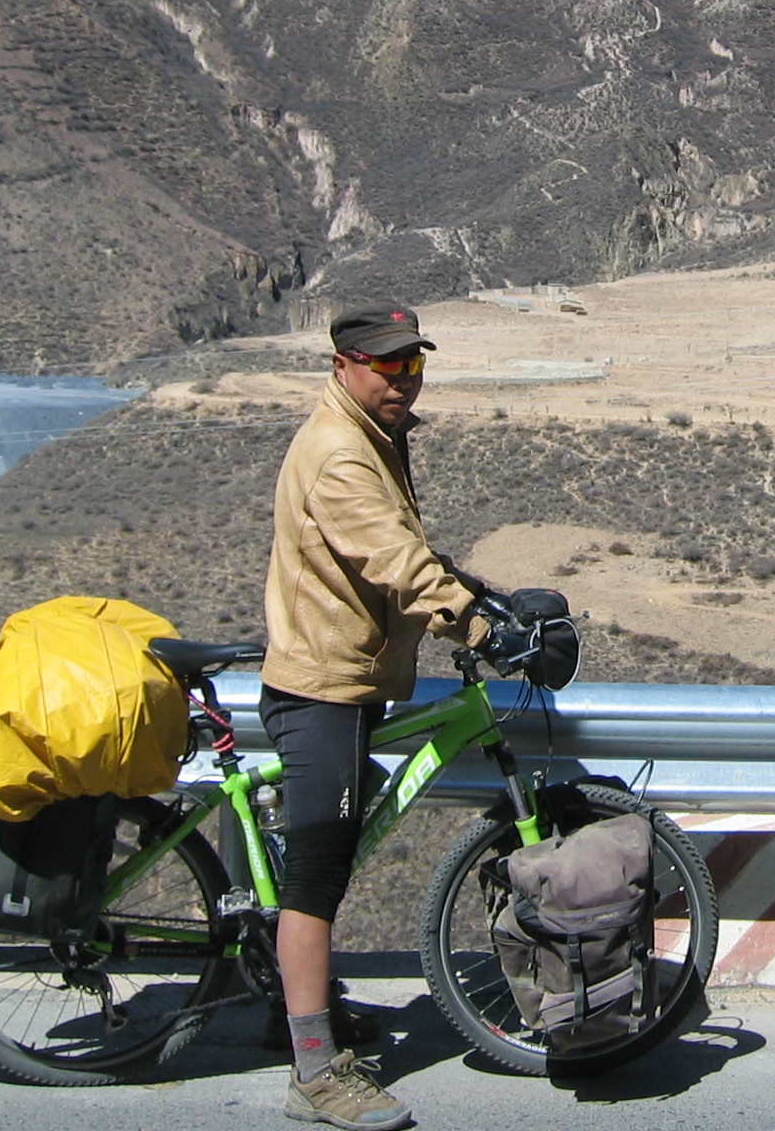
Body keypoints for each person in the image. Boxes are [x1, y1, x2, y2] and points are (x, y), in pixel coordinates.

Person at [260, 303, 497, 1130]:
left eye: (414, 365)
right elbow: (393, 558)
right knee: (316, 880)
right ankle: (315, 1076)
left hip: (350, 678)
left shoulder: (373, 433)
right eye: (387, 365)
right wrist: (475, 625)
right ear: (343, 365)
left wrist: (482, 594)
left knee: (326, 862)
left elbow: (403, 543)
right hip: (321, 687)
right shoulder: (339, 452)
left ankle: (289, 1004)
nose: (404, 381)